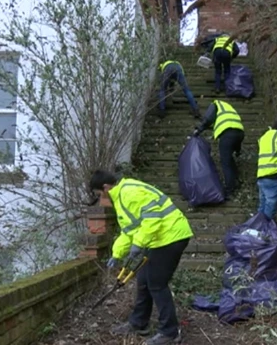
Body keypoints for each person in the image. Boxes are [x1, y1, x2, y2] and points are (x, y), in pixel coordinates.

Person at [89, 170, 194, 345]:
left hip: (171, 236)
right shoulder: (122, 196)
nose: (101, 199)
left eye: (99, 194)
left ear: (106, 187)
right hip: (160, 239)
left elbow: (153, 218)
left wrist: (139, 243)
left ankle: (170, 332)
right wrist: (117, 253)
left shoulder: (130, 192)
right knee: (144, 280)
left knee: (157, 283)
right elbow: (129, 231)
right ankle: (138, 323)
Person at [192, 99, 244, 199]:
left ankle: (229, 190)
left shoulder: (215, 104)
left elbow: (208, 119)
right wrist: (238, 150)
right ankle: (235, 181)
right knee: (229, 158)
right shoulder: (228, 108)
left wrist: (199, 130)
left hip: (227, 134)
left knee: (225, 162)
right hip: (239, 133)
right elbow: (228, 124)